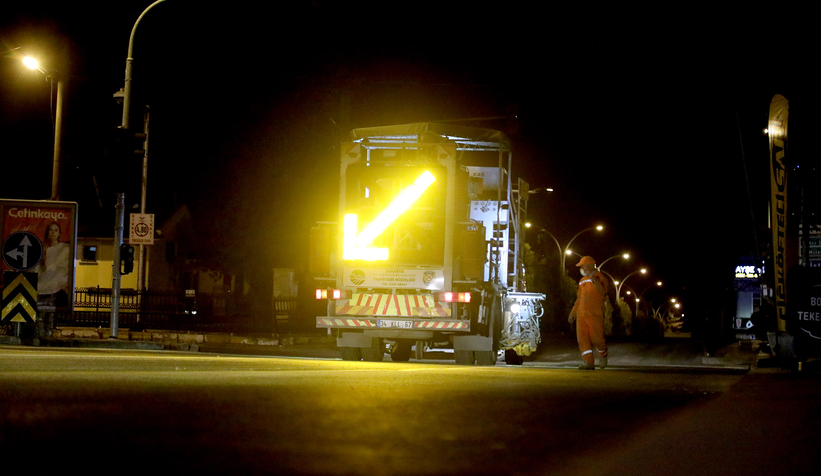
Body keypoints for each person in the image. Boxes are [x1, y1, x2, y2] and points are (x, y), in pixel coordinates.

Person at [568, 256, 609, 370]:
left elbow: (603, 292)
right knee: (582, 338)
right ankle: (588, 362)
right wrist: (573, 312)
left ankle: (603, 354)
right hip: (582, 315)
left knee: (597, 338)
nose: (582, 268)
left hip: (595, 314)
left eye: (583, 266)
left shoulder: (600, 278)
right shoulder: (582, 281)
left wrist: (595, 281)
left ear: (590, 266)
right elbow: (579, 298)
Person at [37, 222, 71, 306]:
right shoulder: (43, 248)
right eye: (51, 230)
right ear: (47, 232)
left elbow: (56, 264)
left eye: (56, 230)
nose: (53, 233)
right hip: (42, 288)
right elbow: (39, 268)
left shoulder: (65, 248)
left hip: (57, 289)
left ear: (59, 233)